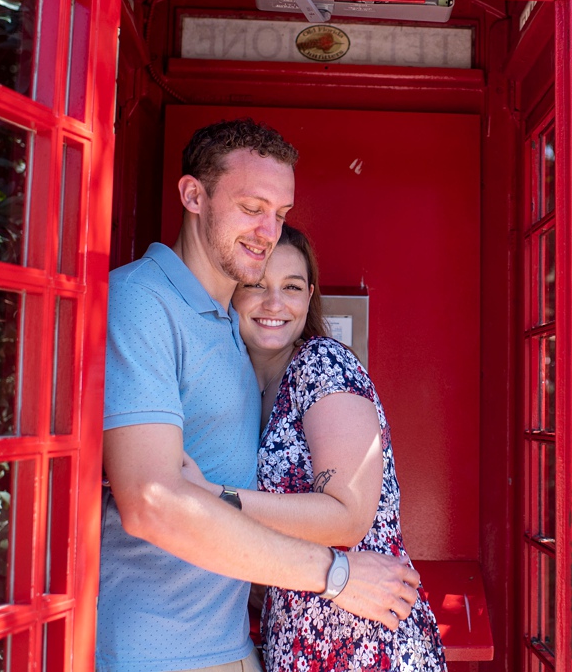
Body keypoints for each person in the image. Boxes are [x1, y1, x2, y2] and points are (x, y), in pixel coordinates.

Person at [99, 119, 420, 672]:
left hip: (237, 648)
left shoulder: (231, 329)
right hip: (157, 652)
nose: (268, 230)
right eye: (252, 207)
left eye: (282, 213)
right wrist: (334, 575)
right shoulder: (141, 300)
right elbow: (151, 502)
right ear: (193, 195)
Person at [184, 223, 447, 671]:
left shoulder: (324, 364)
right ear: (234, 293)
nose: (274, 303)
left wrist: (217, 499)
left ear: (308, 298)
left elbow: (346, 517)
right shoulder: (240, 387)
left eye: (291, 287)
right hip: (296, 639)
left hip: (367, 641)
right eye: (256, 285)